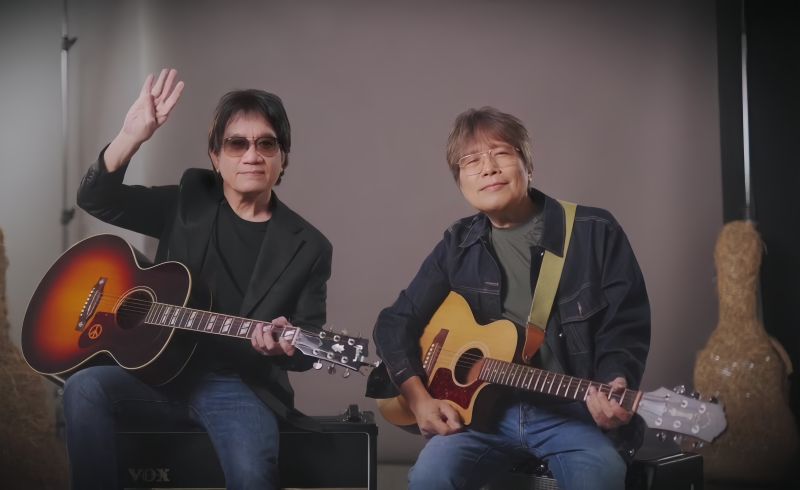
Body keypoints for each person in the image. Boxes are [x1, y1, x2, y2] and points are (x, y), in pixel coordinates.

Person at [63, 68, 332, 489]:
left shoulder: (309, 246)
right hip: (155, 374)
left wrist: (282, 346)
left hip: (239, 387)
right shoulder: (190, 199)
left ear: (283, 157)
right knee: (83, 388)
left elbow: (307, 346)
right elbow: (96, 198)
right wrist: (130, 137)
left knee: (253, 475)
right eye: (237, 144)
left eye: (266, 144)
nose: (252, 155)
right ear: (215, 157)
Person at [367, 107, 650, 489]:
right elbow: (394, 323)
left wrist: (614, 380)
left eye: (501, 153)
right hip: (482, 420)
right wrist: (420, 400)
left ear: (527, 165)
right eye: (471, 161)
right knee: (429, 479)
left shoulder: (594, 231)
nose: (488, 168)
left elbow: (624, 325)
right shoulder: (458, 244)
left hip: (571, 413)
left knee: (599, 477)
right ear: (460, 182)